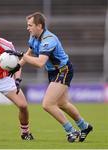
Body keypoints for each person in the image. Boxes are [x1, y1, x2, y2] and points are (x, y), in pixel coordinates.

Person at [5, 12, 93, 143]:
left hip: (63, 70)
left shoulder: (49, 40)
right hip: (53, 72)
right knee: (62, 104)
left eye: (30, 25)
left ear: (39, 26)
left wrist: (21, 55)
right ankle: (84, 127)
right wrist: (18, 66)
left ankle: (71, 130)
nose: (27, 28)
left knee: (47, 104)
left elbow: (40, 63)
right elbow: (29, 52)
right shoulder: (33, 36)